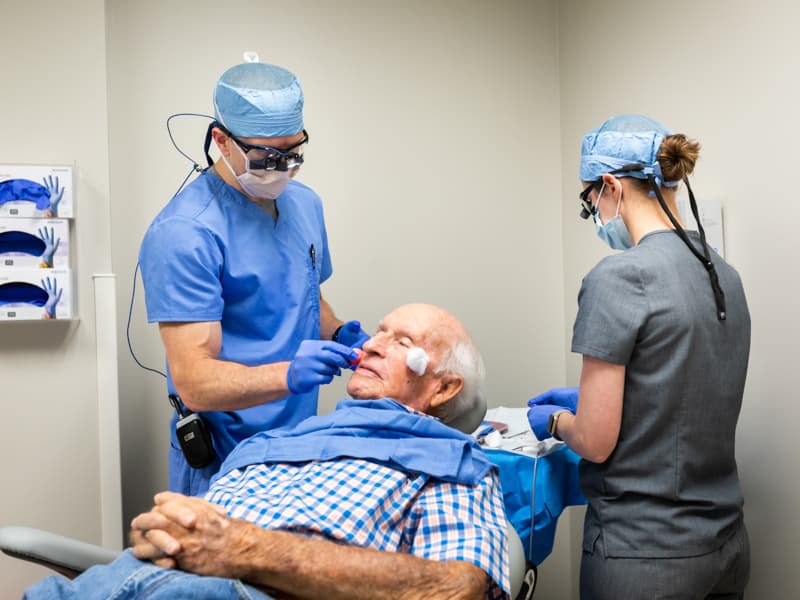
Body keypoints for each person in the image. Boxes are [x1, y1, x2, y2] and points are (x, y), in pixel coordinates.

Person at [25, 304, 510, 600]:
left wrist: (247, 550)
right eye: (379, 332)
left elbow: (458, 588)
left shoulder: (453, 464)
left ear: (445, 387)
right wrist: (161, 533)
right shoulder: (270, 444)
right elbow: (195, 538)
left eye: (402, 342)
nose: (374, 346)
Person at [527, 115, 751, 600]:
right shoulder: (724, 273)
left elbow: (595, 441)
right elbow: (688, 390)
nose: (596, 216)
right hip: (727, 546)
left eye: (591, 204)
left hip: (644, 557)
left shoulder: (619, 277)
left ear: (610, 186)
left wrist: (557, 420)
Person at [138, 59, 370, 495]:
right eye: (266, 155)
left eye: (294, 152)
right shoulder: (185, 232)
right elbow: (196, 383)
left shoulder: (305, 205)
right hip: (227, 459)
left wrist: (341, 333)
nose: (281, 167)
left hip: (299, 447)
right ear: (222, 141)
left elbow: (304, 294)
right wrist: (289, 375)